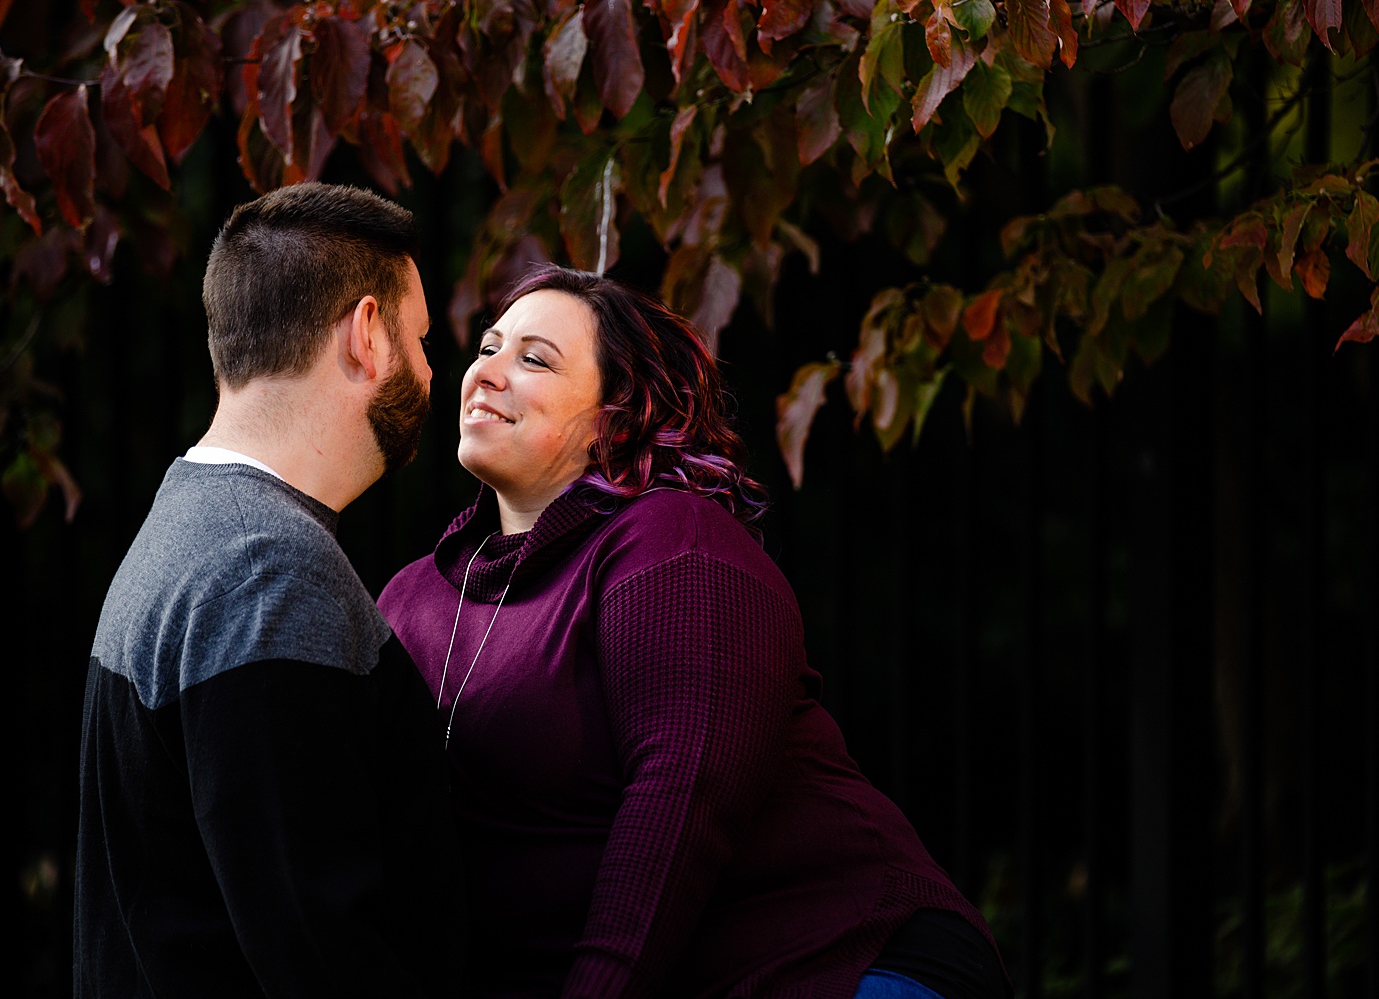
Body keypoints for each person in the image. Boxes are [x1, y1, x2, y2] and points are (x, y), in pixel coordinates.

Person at [378, 264, 1013, 999]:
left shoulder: (671, 540)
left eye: (533, 358)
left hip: (837, 960)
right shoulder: (411, 598)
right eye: (487, 348)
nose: (486, 373)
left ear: (616, 414)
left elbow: (681, 798)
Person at [75, 182, 465, 998]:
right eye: (423, 339)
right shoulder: (266, 571)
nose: (434, 373)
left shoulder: (187, 525)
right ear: (367, 333)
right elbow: (317, 949)